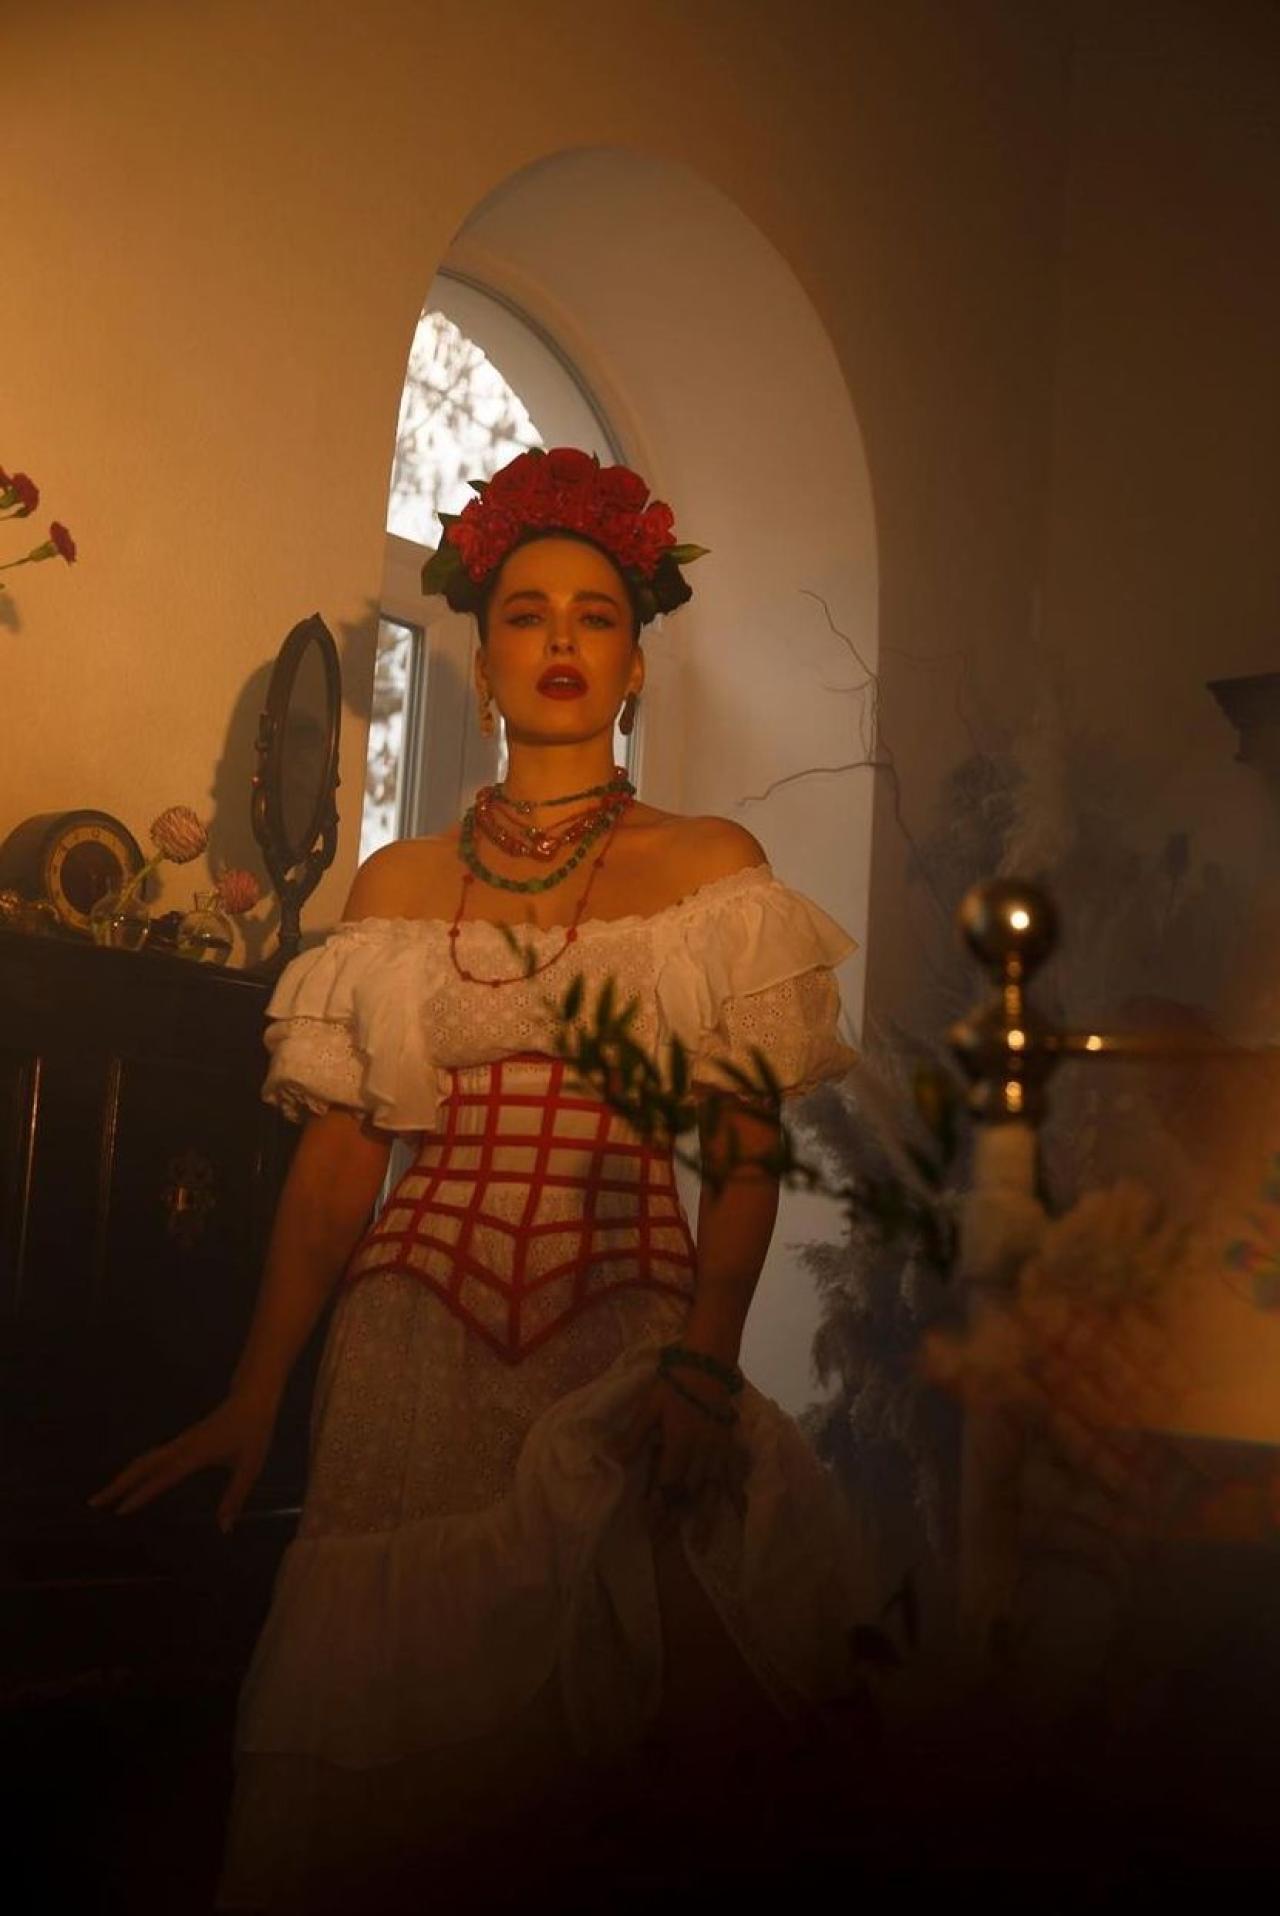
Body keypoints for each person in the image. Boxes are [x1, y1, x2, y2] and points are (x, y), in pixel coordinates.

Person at [90, 447, 877, 1910]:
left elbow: (743, 1154)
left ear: (634, 663)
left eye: (594, 616)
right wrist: (257, 1391)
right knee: (397, 1755)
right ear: (486, 663)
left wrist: (707, 1359)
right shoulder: (395, 884)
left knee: (628, 1752)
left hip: (628, 1332)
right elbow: (341, 1163)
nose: (561, 640)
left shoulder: (713, 869)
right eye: (527, 614)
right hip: (407, 1350)